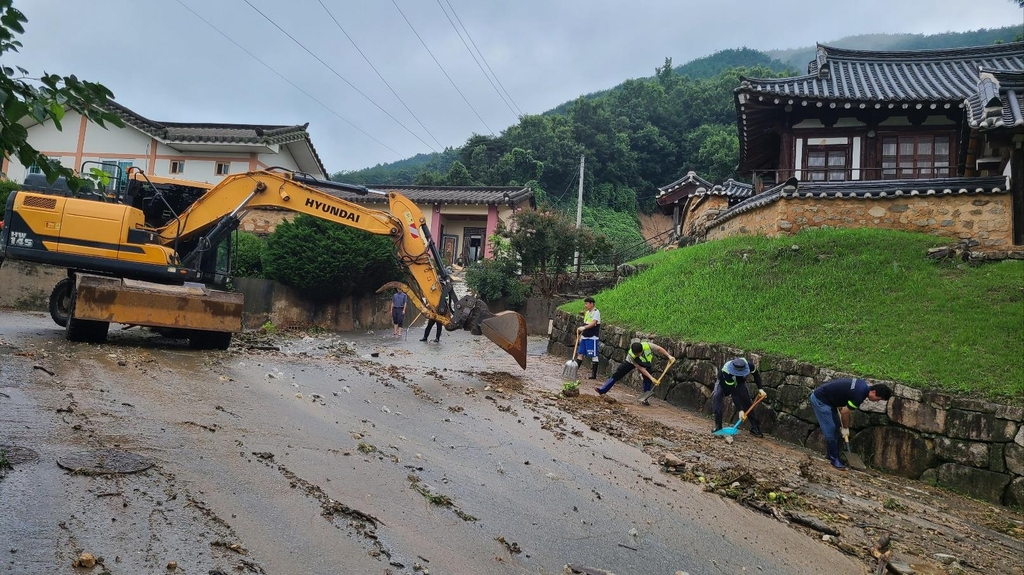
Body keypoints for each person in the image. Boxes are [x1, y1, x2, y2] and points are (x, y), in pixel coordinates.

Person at [810, 378, 892, 470]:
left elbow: (844, 392)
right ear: (873, 392)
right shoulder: (859, 396)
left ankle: (830, 455)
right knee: (831, 429)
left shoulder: (862, 385)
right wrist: (845, 428)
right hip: (820, 400)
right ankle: (834, 459)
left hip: (829, 400)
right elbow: (845, 412)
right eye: (878, 399)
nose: (877, 401)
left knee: (836, 427)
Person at [595, 340, 671, 405]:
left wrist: (669, 356)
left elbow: (659, 349)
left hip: (646, 363)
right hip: (630, 363)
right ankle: (603, 390)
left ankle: (645, 399)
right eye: (636, 354)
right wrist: (652, 378)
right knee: (617, 374)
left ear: (641, 351)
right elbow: (640, 369)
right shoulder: (631, 356)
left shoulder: (647, 345)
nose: (637, 355)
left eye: (638, 354)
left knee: (647, 381)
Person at [713, 357, 767, 437]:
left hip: (739, 382)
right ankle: (718, 427)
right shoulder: (726, 371)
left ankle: (755, 428)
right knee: (717, 397)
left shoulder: (749, 365)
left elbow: (756, 375)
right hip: (723, 383)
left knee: (747, 401)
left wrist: (760, 389)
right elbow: (733, 393)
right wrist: (740, 410)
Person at [574, 296, 601, 380]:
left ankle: (593, 375)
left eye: (586, 304)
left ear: (591, 304)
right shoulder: (587, 312)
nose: (585, 305)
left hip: (592, 337)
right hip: (585, 336)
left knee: (594, 355)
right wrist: (580, 334)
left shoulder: (596, 312)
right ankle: (574, 371)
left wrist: (584, 328)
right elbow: (585, 323)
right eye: (585, 304)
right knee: (580, 354)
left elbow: (593, 323)